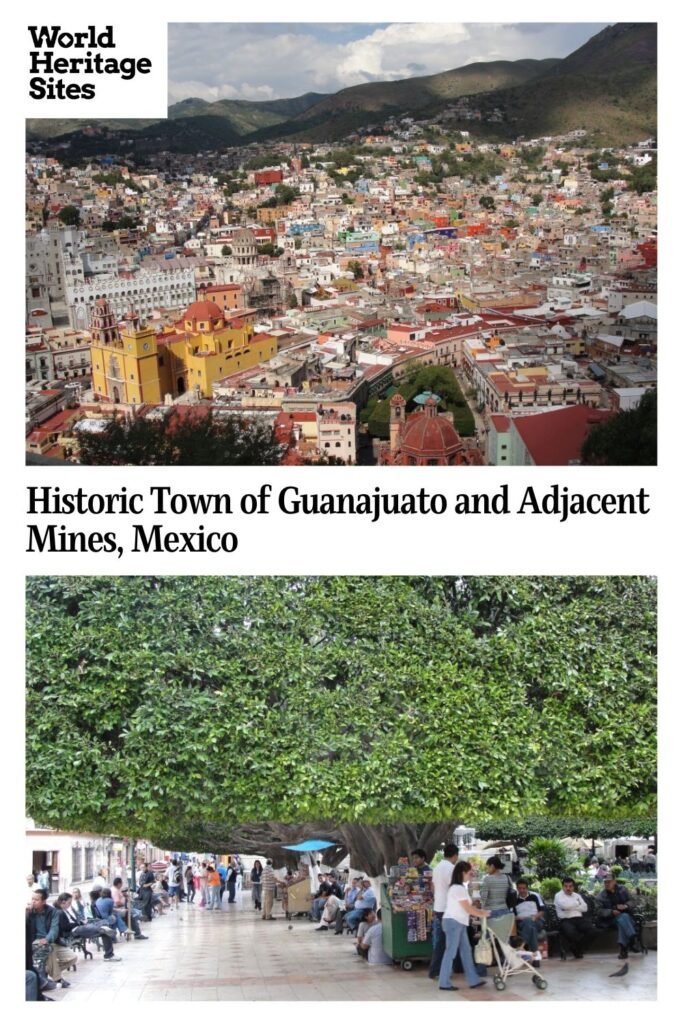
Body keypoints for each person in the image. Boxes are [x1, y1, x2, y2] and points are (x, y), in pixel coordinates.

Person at [438, 861, 489, 991]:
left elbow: (468, 908)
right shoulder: (457, 888)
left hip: (458, 923)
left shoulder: (460, 888)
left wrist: (479, 912)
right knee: (451, 953)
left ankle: (473, 980)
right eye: (468, 873)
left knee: (466, 952)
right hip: (454, 923)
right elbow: (468, 909)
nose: (470, 875)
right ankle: (444, 982)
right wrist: (482, 914)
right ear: (462, 873)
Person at [28, 888, 77, 987]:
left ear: (44, 901)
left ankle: (44, 971)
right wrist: (26, 912)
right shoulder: (29, 912)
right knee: (50, 950)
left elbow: (54, 929)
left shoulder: (52, 911)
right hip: (34, 941)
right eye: (32, 899)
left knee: (72, 957)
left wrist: (47, 939)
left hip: (50, 941)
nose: (33, 901)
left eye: (36, 900)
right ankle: (58, 979)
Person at [53, 893, 122, 962]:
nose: (70, 904)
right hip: (74, 931)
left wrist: (81, 922)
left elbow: (71, 922)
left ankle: (104, 929)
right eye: (69, 902)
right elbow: (65, 927)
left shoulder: (64, 910)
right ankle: (109, 955)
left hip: (78, 927)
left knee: (103, 927)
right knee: (104, 930)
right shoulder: (59, 913)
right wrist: (78, 923)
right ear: (63, 902)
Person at [428, 843, 460, 979]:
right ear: (455, 855)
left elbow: (434, 888)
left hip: (438, 907)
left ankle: (435, 970)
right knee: (450, 941)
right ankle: (445, 971)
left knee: (441, 941)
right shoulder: (452, 869)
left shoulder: (436, 868)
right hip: (449, 909)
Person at [595, 873, 640, 958]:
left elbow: (633, 901)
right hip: (610, 920)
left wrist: (626, 906)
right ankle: (633, 939)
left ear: (614, 881)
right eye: (605, 882)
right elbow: (599, 911)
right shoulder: (601, 896)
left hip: (627, 918)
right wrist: (611, 912)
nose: (607, 884)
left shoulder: (623, 889)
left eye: (609, 882)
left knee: (623, 920)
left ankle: (623, 950)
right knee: (623, 918)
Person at [554, 878, 596, 958]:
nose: (568, 888)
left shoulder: (577, 895)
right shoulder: (558, 895)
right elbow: (565, 906)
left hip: (579, 919)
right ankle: (577, 950)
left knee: (593, 931)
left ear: (573, 887)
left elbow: (585, 908)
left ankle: (577, 948)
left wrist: (571, 906)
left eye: (570, 886)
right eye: (566, 886)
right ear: (563, 887)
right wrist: (577, 904)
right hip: (566, 920)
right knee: (572, 933)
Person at [511, 878, 544, 962]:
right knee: (530, 926)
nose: (522, 890)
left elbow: (542, 911)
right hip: (522, 923)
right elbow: (512, 916)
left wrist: (535, 917)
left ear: (527, 888)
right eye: (519, 888)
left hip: (537, 921)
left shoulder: (535, 896)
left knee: (529, 923)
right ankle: (535, 955)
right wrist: (520, 918)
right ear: (517, 888)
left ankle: (521, 947)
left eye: (524, 888)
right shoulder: (514, 899)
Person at [479, 856, 514, 920]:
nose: (487, 870)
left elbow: (483, 898)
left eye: (488, 867)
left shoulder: (487, 879)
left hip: (491, 912)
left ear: (492, 866)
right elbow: (511, 892)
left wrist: (481, 912)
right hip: (505, 911)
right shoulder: (507, 878)